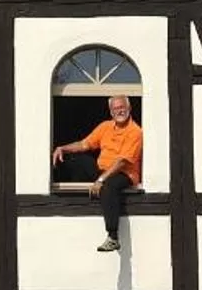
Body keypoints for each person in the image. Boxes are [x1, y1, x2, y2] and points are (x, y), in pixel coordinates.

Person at [52, 93, 143, 254]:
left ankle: (113, 237)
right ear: (111, 111)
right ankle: (76, 198)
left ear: (129, 108)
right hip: (103, 171)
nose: (119, 111)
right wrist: (62, 148)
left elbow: (122, 162)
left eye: (122, 107)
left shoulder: (135, 131)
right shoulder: (105, 127)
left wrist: (100, 180)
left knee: (109, 187)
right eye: (115, 108)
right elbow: (84, 144)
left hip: (125, 174)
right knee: (77, 159)